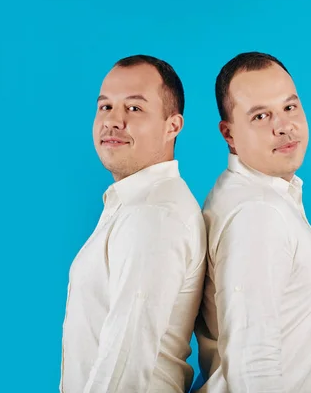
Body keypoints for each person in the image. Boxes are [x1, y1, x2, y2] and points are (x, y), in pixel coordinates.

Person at [60, 55, 206, 393]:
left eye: (134, 108)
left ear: (173, 126)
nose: (113, 121)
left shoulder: (153, 215)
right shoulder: (136, 204)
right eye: (105, 107)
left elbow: (124, 364)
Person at [194, 52, 311, 393]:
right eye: (261, 115)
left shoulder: (261, 195)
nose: (283, 126)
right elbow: (252, 362)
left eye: (290, 107)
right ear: (229, 134)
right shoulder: (257, 213)